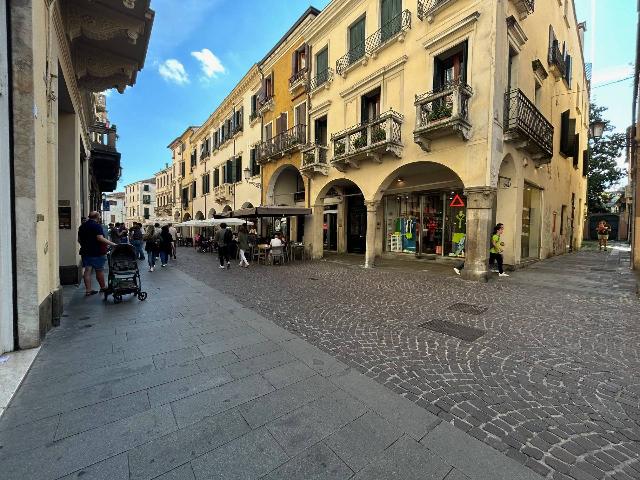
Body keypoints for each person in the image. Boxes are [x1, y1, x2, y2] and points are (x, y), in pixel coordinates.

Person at [77, 211, 116, 296]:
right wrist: (112, 244)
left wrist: (85, 246)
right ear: (98, 217)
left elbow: (79, 240)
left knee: (87, 270)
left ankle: (88, 290)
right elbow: (100, 238)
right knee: (99, 270)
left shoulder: (82, 226)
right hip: (97, 252)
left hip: (85, 251)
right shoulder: (97, 226)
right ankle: (103, 287)